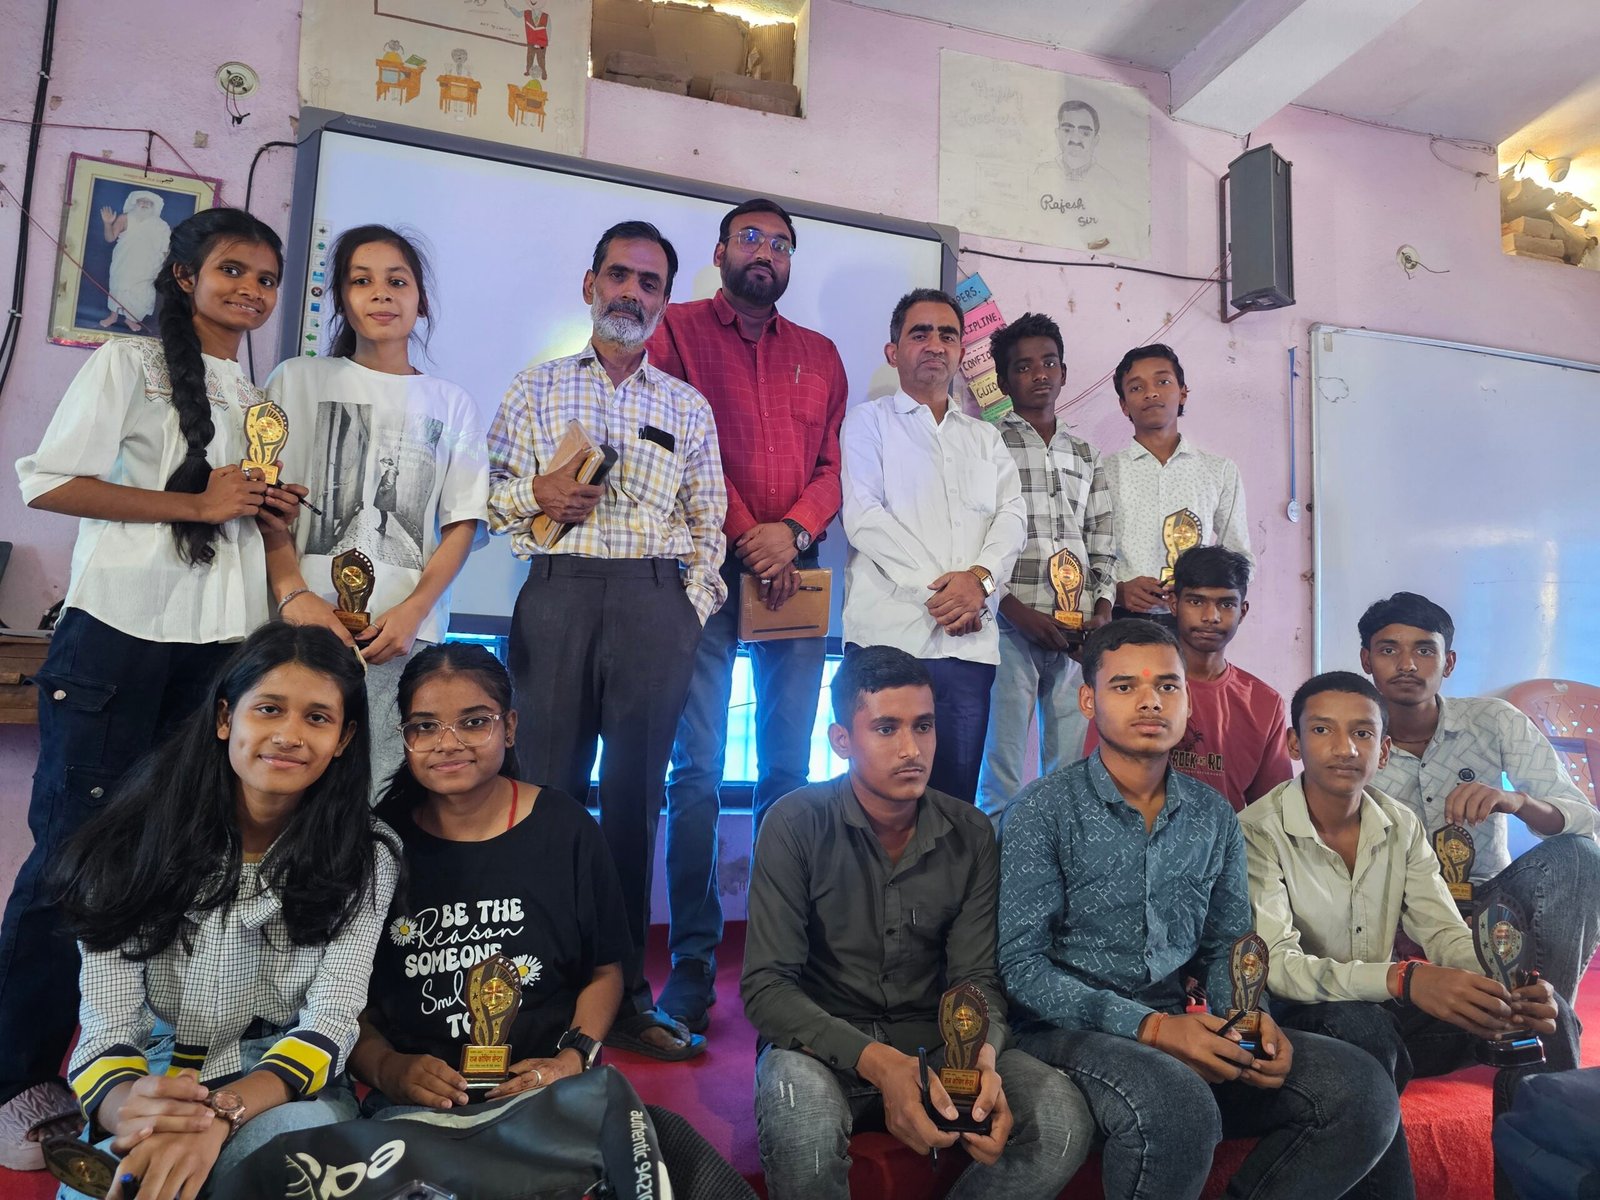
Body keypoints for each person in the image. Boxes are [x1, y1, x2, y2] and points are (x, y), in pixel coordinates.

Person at [3, 208, 298, 1170]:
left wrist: (266, 509)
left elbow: (234, 518)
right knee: (71, 863)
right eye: (231, 270)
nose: (250, 290)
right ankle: (17, 1080)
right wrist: (197, 502)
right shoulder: (127, 363)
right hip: (118, 641)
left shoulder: (257, 396)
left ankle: (118, 1068)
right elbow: (48, 482)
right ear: (183, 276)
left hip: (220, 653)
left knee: (175, 863)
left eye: (265, 277)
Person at [998, 620, 1400, 1200]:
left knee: (1359, 1089)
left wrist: (1248, 1020)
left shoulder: (1213, 816)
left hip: (1181, 1023)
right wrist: (1152, 1028)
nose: (1150, 702)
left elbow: (1226, 948)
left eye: (1168, 686)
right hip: (1064, 1033)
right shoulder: (1043, 811)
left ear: (1188, 701)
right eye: (1124, 687)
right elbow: (1023, 969)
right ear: (1088, 700)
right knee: (1176, 1104)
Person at [487, 220, 726, 1061]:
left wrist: (690, 608)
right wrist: (539, 494)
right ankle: (537, 991)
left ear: (664, 300)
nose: (632, 292)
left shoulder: (686, 405)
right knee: (545, 794)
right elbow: (484, 500)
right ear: (590, 286)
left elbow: (709, 521)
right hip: (558, 596)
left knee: (634, 802)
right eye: (619, 275)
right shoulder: (535, 388)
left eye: (649, 282)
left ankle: (625, 997)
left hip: (655, 607)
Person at [52, 622, 400, 1200]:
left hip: (282, 1079)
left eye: (317, 717)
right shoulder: (129, 843)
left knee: (280, 1164)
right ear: (224, 718)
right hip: (155, 1071)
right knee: (125, 1183)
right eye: (268, 709)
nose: (289, 735)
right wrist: (135, 1113)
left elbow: (331, 1019)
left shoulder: (366, 854)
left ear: (343, 739)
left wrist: (221, 1114)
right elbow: (107, 1028)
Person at [742, 646, 1092, 1200]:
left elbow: (977, 979)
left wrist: (982, 1056)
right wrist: (882, 1066)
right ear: (841, 740)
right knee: (801, 1121)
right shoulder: (793, 823)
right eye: (886, 728)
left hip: (939, 1046)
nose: (911, 749)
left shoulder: (971, 832)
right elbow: (767, 988)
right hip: (823, 1048)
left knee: (1062, 1122)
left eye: (923, 726)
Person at [1241, 670, 1565, 1200]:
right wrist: (1404, 979)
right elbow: (1278, 967)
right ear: (1294, 744)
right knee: (1365, 1029)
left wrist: (1505, 979)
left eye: (1363, 733)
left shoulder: (1400, 823)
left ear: (1384, 750)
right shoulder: (1256, 830)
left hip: (1386, 1008)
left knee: (1546, 1014)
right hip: (1298, 1020)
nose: (1345, 748)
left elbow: (1443, 932)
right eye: (1322, 730)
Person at [649, 198, 849, 1036]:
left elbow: (834, 466)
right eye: (751, 238)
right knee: (695, 771)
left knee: (786, 774)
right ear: (722, 249)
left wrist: (791, 532)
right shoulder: (677, 331)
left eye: (781, 243)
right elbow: (677, 442)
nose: (765, 252)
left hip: (792, 578)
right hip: (700, 572)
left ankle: (776, 956)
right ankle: (693, 959)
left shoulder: (821, 355)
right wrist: (750, 536)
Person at [352, 643, 629, 1110]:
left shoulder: (565, 828)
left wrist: (571, 1060)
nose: (448, 743)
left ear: (510, 727)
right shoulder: (379, 843)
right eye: (425, 726)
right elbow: (342, 996)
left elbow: (604, 972)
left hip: (547, 1093)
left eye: (474, 722)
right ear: (405, 737)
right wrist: (387, 1069)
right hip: (419, 1106)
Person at [267, 225, 488, 790]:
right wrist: (293, 593)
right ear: (341, 298)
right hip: (301, 629)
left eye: (397, 281)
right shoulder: (296, 379)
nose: (381, 294)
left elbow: (462, 523)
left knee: (378, 791)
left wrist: (414, 611)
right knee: (289, 784)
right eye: (361, 281)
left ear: (421, 300)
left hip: (401, 640)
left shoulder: (452, 403)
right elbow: (266, 504)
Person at [1359, 591, 1600, 1001]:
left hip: (1491, 898)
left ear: (1449, 662)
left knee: (1579, 856)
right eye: (1388, 650)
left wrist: (1516, 802)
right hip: (1397, 908)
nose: (1407, 664)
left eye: (1424, 650)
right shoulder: (1353, 739)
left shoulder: (1494, 721)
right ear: (1367, 660)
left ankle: (1548, 1015)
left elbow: (1583, 818)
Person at [840, 288, 1026, 804]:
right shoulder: (868, 422)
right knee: (881, 802)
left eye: (948, 335)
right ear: (893, 351)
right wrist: (949, 594)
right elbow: (864, 517)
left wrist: (979, 582)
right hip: (887, 640)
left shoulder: (986, 439)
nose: (935, 344)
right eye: (919, 333)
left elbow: (1013, 517)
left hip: (968, 649)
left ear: (961, 351)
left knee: (954, 804)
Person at [974, 312, 1113, 824]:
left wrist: (1102, 611)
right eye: (1024, 366)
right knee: (1002, 766)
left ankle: (1059, 860)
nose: (1039, 375)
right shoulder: (987, 444)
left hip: (1077, 635)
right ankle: (997, 865)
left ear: (1064, 372)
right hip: (1010, 627)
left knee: (1071, 769)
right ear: (1003, 380)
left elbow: (1102, 537)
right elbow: (976, 539)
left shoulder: (1086, 454)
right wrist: (1011, 609)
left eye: (1049, 363)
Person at [1083, 544, 1291, 809]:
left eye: (1226, 604)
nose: (1211, 617)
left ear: (1243, 611)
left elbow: (1271, 809)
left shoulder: (1264, 703)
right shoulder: (1126, 687)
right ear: (1173, 604)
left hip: (1229, 836)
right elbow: (1094, 786)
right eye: (1196, 601)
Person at [1102, 344, 1251, 619]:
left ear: (1183, 393)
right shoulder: (1102, 471)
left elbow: (1239, 558)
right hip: (1121, 618)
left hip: (1193, 620)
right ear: (1123, 405)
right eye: (1136, 387)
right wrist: (1116, 590)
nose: (1151, 393)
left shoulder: (1218, 471)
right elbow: (1088, 549)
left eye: (1163, 382)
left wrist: (1202, 590)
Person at [98, 190, 172, 332]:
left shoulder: (162, 226)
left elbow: (165, 249)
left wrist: (162, 267)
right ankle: (113, 316)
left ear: (154, 206)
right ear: (135, 203)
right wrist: (107, 223)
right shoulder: (124, 218)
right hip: (125, 262)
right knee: (119, 286)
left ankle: (131, 319)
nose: (144, 204)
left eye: (148, 202)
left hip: (148, 266)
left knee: (142, 292)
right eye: (141, 201)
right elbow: (110, 238)